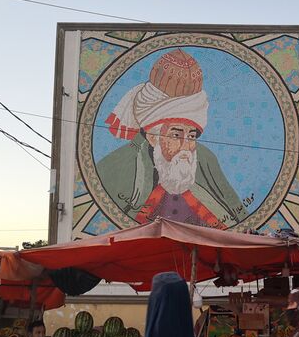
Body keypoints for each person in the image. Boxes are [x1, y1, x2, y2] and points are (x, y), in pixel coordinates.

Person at [96, 49, 247, 228]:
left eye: (191, 136)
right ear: (152, 136)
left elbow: (236, 219)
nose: (185, 146)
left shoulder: (206, 159)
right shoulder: (115, 166)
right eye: (176, 135)